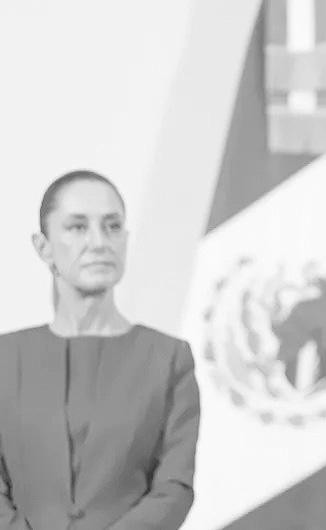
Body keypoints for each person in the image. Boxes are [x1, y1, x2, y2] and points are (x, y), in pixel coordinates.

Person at [0, 171, 200, 529]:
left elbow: (174, 486)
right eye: (77, 227)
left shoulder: (169, 359)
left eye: (112, 226)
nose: (99, 242)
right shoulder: (5, 358)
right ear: (43, 247)